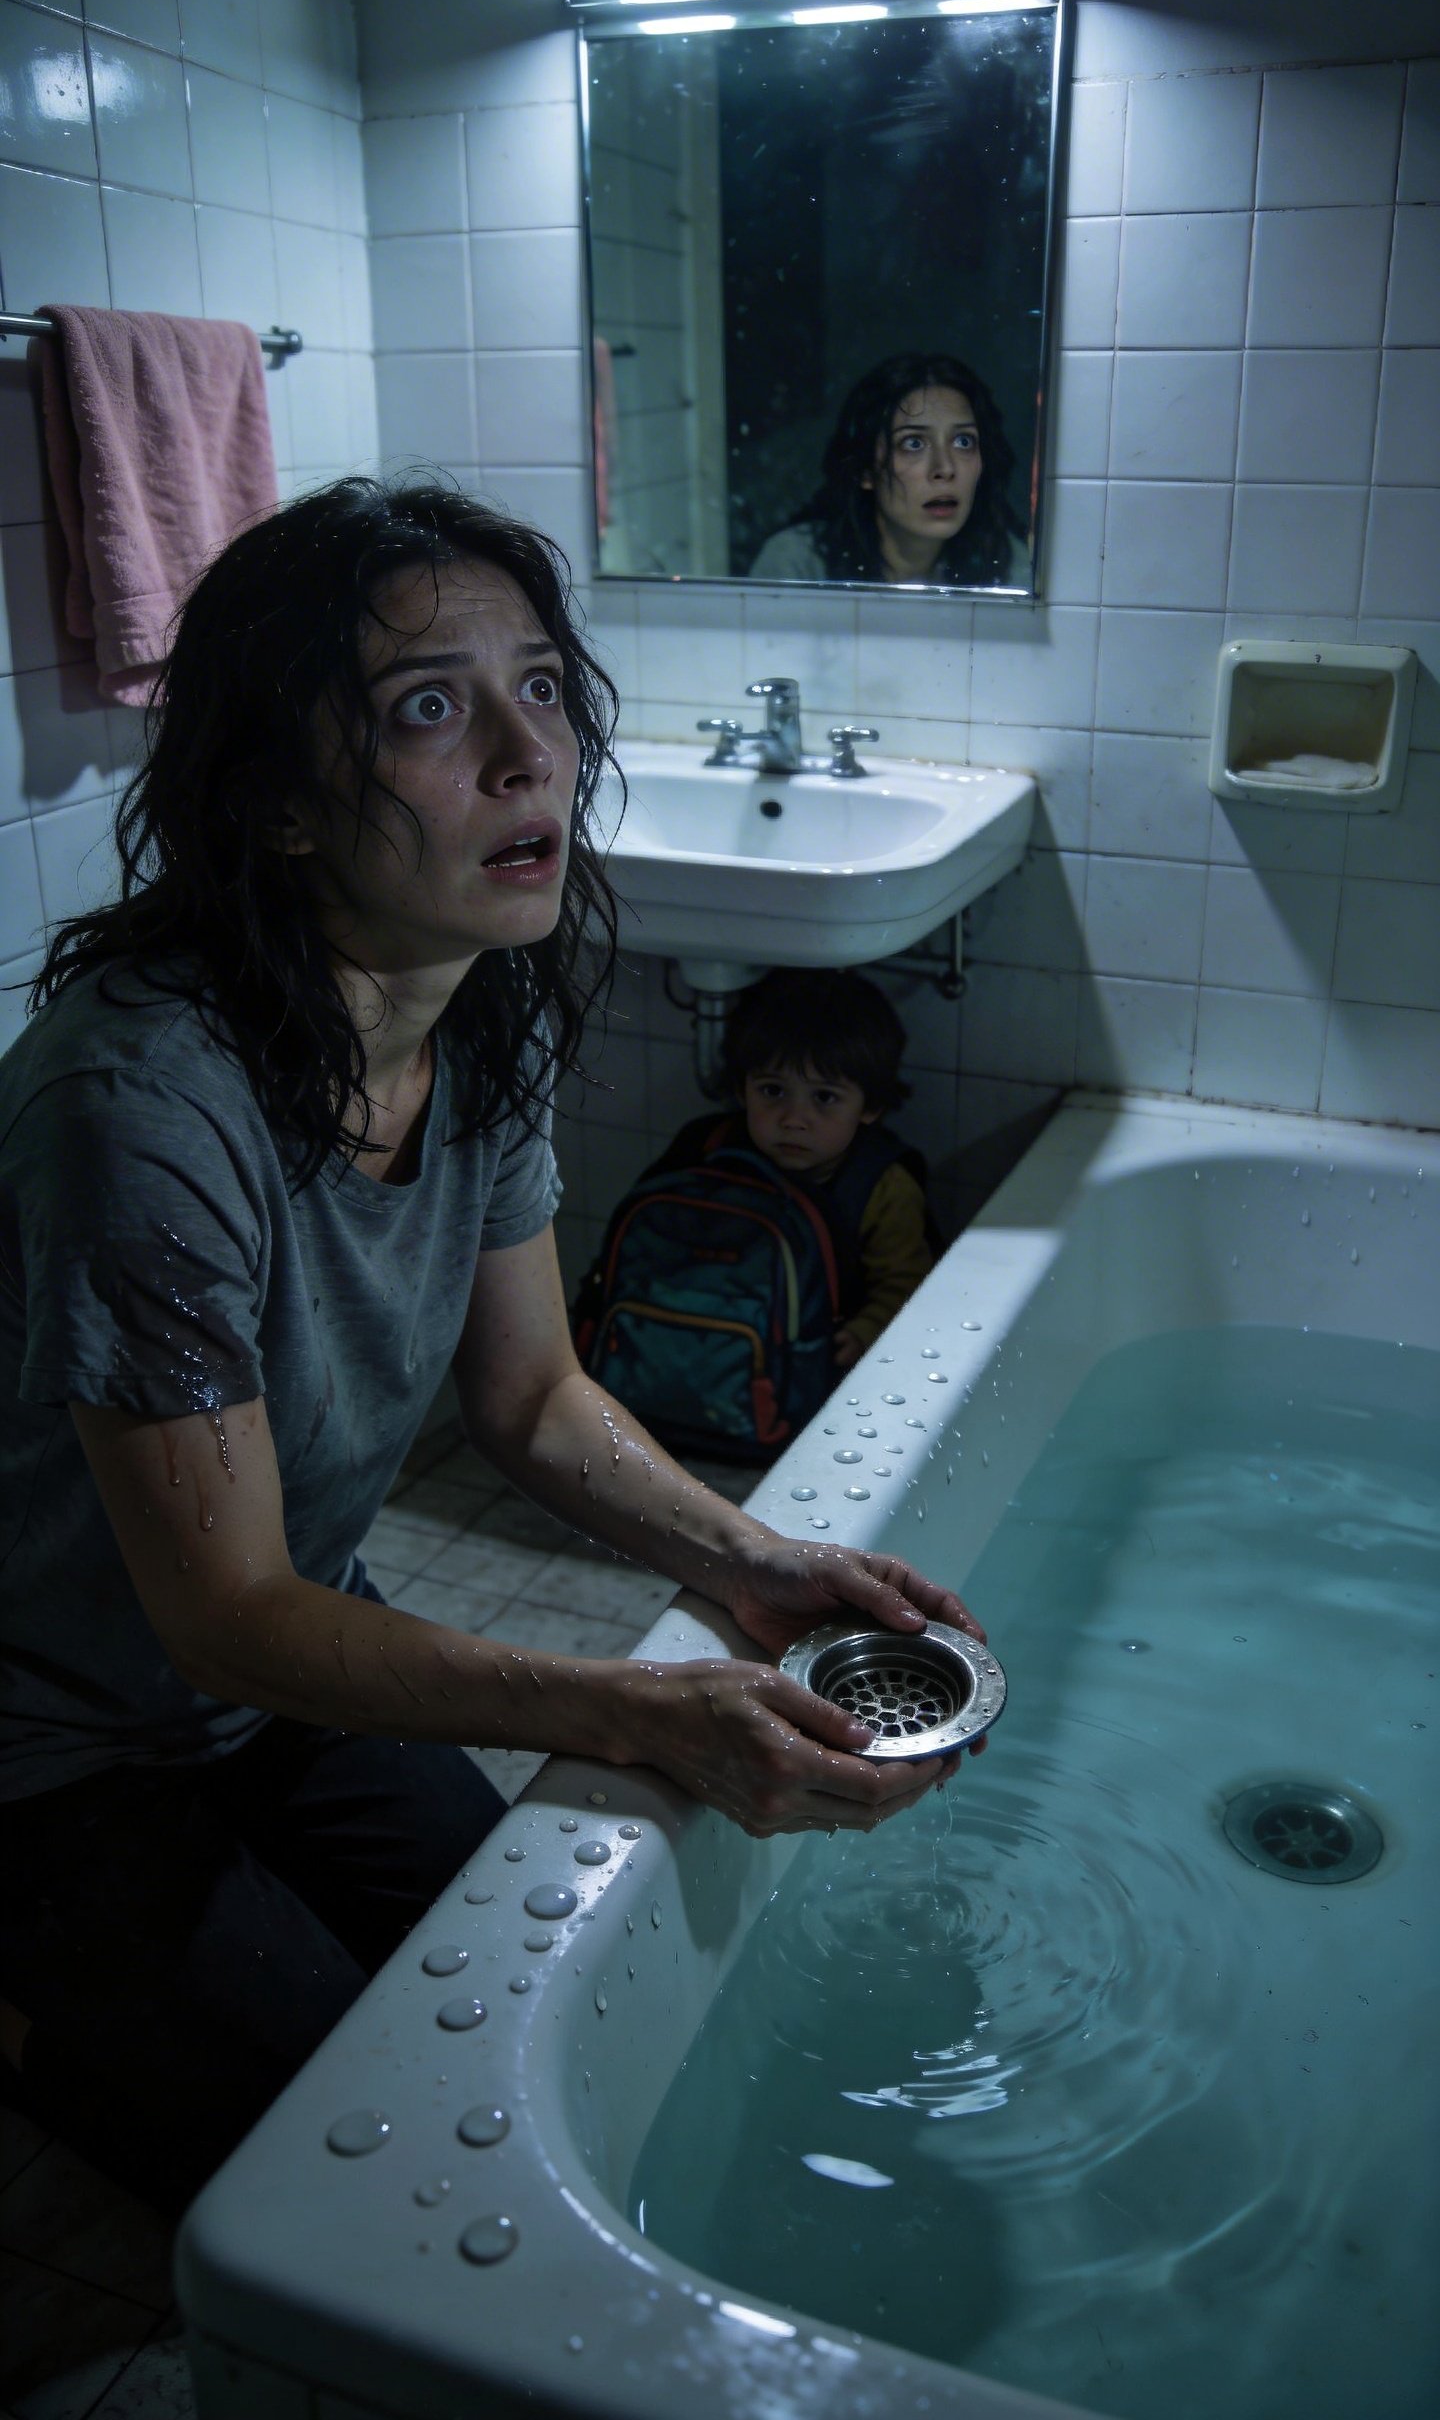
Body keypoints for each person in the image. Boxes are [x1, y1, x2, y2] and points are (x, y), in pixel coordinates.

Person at [0, 479, 984, 2217]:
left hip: (276, 1671)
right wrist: (636, 1705)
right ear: (279, 802)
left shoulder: (466, 1008)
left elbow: (529, 1396)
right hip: (51, 1736)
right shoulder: (144, 1107)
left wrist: (757, 1563)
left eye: (539, 686)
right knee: (335, 2170)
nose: (532, 757)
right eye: (427, 710)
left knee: (519, 2001)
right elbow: (224, 1610)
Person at [574, 970, 939, 1456]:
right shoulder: (705, 1148)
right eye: (772, 1091)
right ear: (742, 1088)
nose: (793, 1118)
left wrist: (866, 1329)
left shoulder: (881, 1185)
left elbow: (908, 1282)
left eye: (824, 1098)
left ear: (870, 1107)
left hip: (805, 1397)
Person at [749, 351, 1029, 588]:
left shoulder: (1007, 565)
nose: (945, 468)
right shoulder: (799, 565)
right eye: (914, 443)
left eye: (963, 441)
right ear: (865, 470)